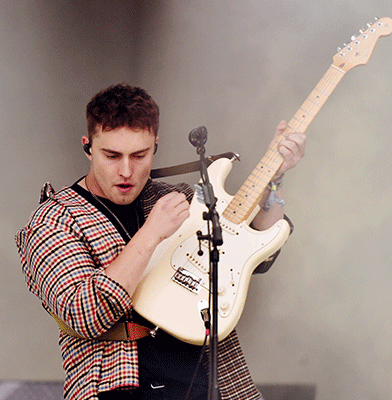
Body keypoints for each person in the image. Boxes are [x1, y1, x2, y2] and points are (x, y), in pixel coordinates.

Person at [16, 83, 306, 400]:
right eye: (111, 155)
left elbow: (250, 254)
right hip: (118, 389)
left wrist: (275, 177)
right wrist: (151, 233)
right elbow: (85, 315)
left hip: (213, 382)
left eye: (139, 155)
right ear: (88, 147)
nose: (126, 171)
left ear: (156, 146)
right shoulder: (53, 220)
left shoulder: (176, 197)